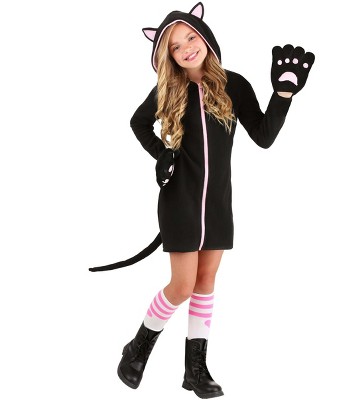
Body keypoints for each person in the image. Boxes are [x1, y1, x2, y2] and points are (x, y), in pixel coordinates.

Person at [94, 2, 314, 398]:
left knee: (206, 282)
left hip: (218, 202)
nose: (186, 48)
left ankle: (195, 370)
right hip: (179, 200)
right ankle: (138, 347)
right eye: (176, 46)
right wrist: (162, 154)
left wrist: (282, 95)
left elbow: (264, 136)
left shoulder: (234, 85)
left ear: (205, 37)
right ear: (169, 56)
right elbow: (138, 123)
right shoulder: (168, 89)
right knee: (181, 286)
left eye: (190, 37)